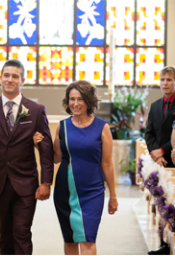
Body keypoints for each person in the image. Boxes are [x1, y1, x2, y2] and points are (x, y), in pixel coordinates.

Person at [0, 59, 54, 255]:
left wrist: (46, 182)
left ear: (22, 80)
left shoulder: (35, 110)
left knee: (22, 232)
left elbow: (46, 149)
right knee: (5, 233)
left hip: (26, 182)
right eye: (6, 75)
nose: (10, 79)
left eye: (15, 76)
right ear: (0, 78)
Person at [52, 80, 117, 256]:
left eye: (80, 99)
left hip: (92, 191)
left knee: (88, 238)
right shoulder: (62, 126)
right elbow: (56, 158)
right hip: (65, 190)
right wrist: (38, 145)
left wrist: (113, 195)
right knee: (70, 238)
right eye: (72, 99)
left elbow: (107, 163)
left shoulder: (102, 127)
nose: (75, 103)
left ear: (89, 101)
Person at [145, 66, 175, 168]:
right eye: (162, 80)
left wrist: (162, 151)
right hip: (157, 161)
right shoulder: (155, 105)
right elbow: (149, 133)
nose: (165, 83)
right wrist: (156, 154)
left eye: (169, 80)